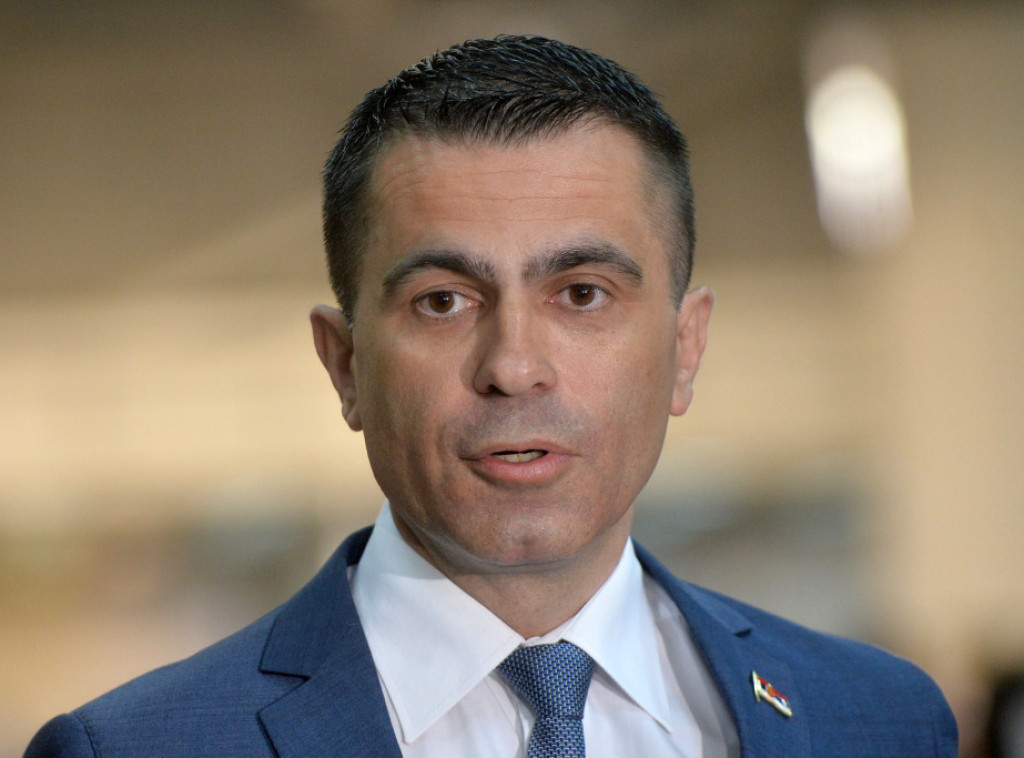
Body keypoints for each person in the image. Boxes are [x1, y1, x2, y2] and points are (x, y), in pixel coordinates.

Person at [25, 35, 957, 757]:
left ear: (685, 348)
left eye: (582, 294)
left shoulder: (879, 720)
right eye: (443, 301)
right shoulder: (139, 748)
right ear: (345, 365)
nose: (514, 365)